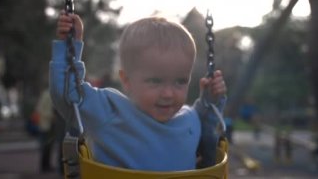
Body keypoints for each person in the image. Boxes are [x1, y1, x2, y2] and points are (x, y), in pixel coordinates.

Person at [50, 11, 227, 171]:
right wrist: (69, 48)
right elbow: (68, 95)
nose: (168, 94)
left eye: (180, 82)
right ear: (126, 80)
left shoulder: (190, 119)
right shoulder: (110, 110)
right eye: (155, 81)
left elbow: (206, 127)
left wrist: (210, 100)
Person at [35, 89, 56, 172]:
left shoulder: (47, 94)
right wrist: (51, 116)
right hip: (46, 125)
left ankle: (46, 165)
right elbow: (40, 110)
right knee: (46, 147)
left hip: (47, 125)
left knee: (48, 146)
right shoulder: (48, 95)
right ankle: (44, 166)